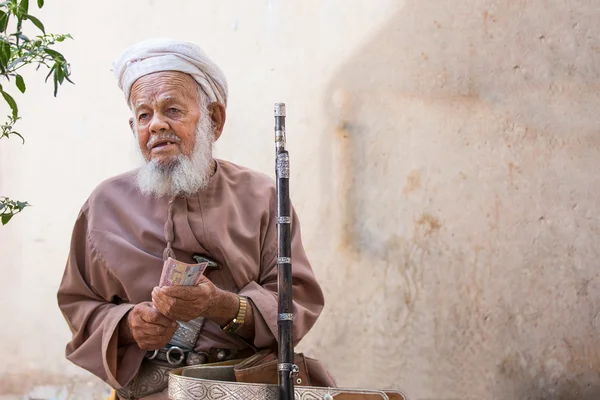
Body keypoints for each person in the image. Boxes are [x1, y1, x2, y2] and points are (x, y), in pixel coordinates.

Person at [56, 38, 325, 400]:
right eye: (144, 115)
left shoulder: (262, 196)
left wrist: (223, 306)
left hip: (244, 388)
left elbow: (295, 303)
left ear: (213, 120)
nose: (156, 125)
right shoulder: (104, 205)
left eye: (173, 110)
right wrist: (127, 325)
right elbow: (78, 303)